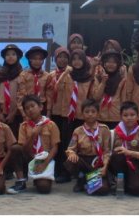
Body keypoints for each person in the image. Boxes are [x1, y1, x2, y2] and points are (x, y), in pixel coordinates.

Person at [49, 48, 95, 183]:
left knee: (83, 145)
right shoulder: (67, 75)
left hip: (82, 116)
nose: (76, 62)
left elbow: (94, 97)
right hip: (68, 116)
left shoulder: (89, 77)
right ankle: (65, 172)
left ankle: (81, 173)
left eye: (79, 59)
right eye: (73, 59)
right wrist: (64, 74)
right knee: (66, 144)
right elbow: (56, 90)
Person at [14, 94, 60, 194]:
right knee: (15, 148)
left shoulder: (51, 125)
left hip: (45, 158)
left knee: (44, 189)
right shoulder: (24, 126)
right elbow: (23, 149)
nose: (30, 110)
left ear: (40, 107)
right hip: (30, 157)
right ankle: (21, 180)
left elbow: (55, 148)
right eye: (27, 108)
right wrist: (33, 135)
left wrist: (44, 163)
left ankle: (40, 178)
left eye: (32, 106)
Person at [64, 99, 112, 194]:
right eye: (87, 112)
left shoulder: (104, 129)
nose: (90, 114)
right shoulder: (78, 131)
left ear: (98, 113)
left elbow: (107, 151)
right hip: (84, 162)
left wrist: (105, 167)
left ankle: (86, 181)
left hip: (98, 162)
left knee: (103, 189)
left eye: (93, 111)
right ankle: (82, 179)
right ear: (82, 114)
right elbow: (70, 148)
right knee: (70, 160)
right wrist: (72, 154)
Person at [108, 101, 139, 196]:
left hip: (133, 162)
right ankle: (119, 180)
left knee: (137, 190)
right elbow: (106, 151)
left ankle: (128, 182)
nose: (129, 118)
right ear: (120, 116)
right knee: (118, 155)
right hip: (117, 164)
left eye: (132, 115)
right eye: (125, 115)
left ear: (137, 116)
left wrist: (128, 152)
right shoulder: (114, 132)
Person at [45, 47, 72, 183]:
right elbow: (49, 95)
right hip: (55, 113)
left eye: (65, 57)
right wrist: (49, 112)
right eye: (60, 57)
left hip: (67, 114)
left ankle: (65, 172)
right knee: (55, 142)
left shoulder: (72, 74)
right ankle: (54, 170)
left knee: (66, 144)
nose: (62, 59)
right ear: (55, 59)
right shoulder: (51, 75)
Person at [0, 44, 23, 138]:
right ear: (4, 57)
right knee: (0, 138)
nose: (10, 57)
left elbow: (21, 95)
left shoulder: (22, 74)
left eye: (13, 54)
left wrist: (13, 113)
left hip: (16, 114)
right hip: (0, 112)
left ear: (17, 57)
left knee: (14, 139)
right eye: (8, 54)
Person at [91, 47, 126, 130]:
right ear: (104, 64)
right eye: (108, 62)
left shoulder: (122, 79)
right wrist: (103, 82)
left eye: (114, 62)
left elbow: (124, 99)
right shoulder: (99, 77)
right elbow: (96, 97)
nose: (111, 64)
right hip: (100, 117)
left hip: (116, 117)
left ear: (118, 64)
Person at [16, 46, 51, 123]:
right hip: (28, 109)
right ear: (29, 60)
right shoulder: (23, 75)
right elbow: (20, 95)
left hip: (42, 109)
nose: (37, 61)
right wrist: (23, 114)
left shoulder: (47, 75)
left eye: (40, 59)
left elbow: (49, 95)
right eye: (34, 59)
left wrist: (48, 113)